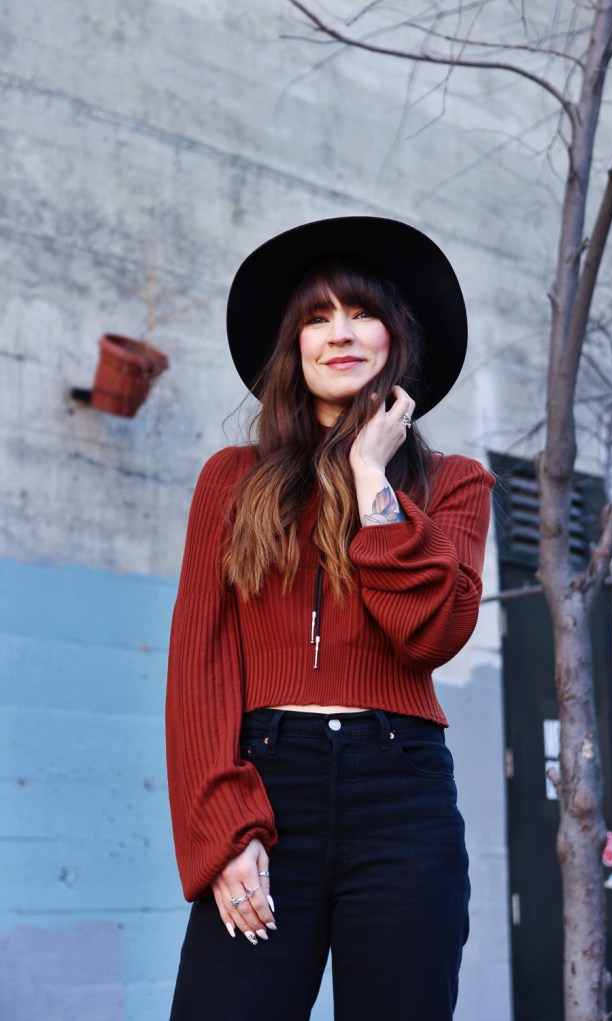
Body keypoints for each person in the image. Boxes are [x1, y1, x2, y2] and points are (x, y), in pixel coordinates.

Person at [166, 216, 494, 1021]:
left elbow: (432, 632)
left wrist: (372, 478)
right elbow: (199, 665)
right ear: (295, 346)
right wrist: (224, 825)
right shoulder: (231, 480)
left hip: (401, 795)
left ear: (396, 337)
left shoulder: (453, 484)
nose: (339, 333)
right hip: (267, 789)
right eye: (317, 317)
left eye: (361, 312)